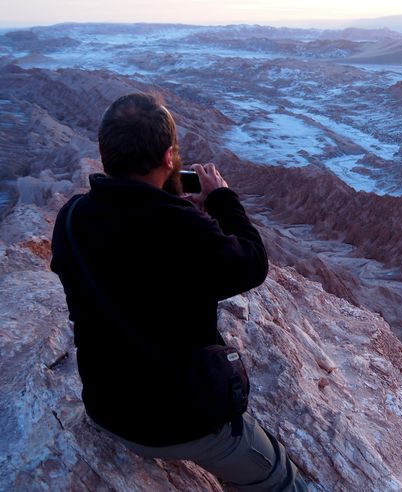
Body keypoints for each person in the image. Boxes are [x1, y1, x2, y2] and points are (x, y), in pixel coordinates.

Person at [50, 93, 305, 491]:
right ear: (170, 158)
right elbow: (253, 263)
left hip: (106, 406)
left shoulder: (71, 217)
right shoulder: (181, 229)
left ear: (103, 152)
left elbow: (127, 248)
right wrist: (221, 200)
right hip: (180, 422)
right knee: (280, 477)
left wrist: (171, 206)